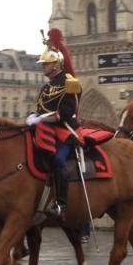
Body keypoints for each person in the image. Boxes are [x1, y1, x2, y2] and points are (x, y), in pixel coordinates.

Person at [26, 28, 81, 219]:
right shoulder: (47, 86)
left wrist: (42, 118)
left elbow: (67, 113)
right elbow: (41, 108)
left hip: (66, 132)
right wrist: (33, 116)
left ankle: (61, 204)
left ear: (56, 64)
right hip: (47, 131)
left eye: (46, 64)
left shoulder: (70, 82)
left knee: (58, 160)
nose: (42, 67)